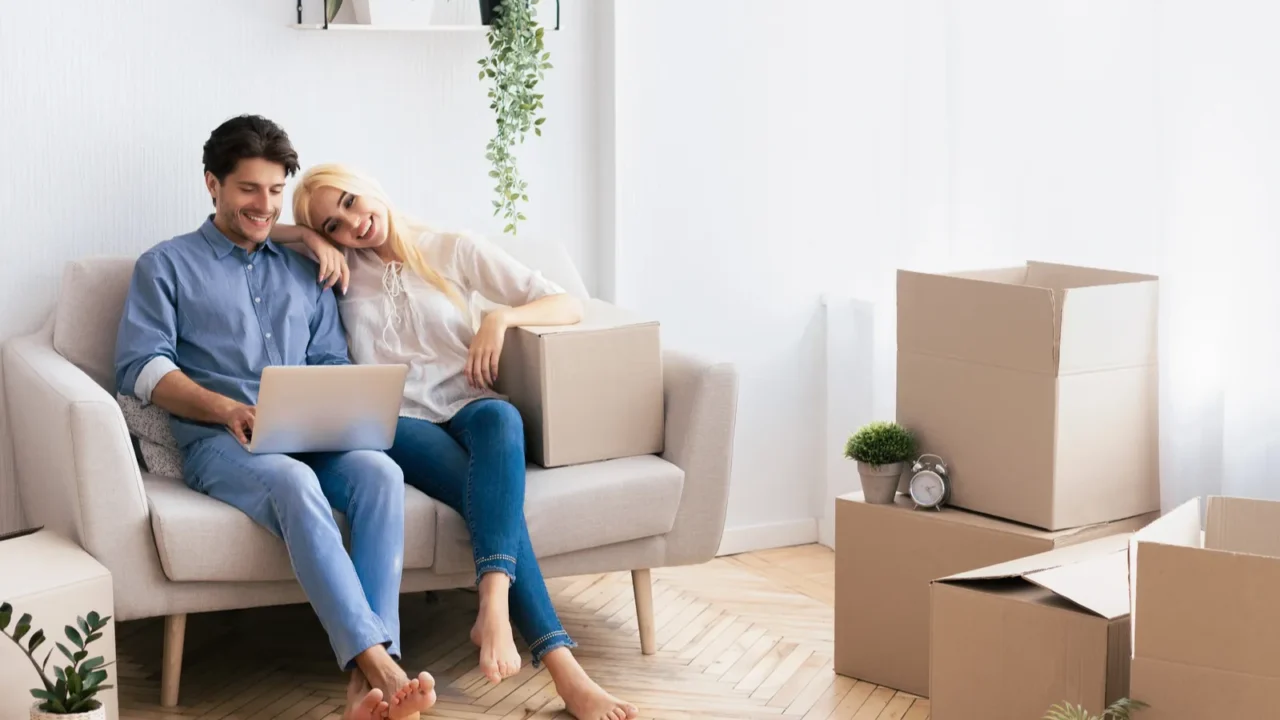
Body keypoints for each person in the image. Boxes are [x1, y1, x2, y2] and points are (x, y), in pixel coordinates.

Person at [287, 163, 640, 720]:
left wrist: (499, 318)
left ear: (372, 185)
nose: (354, 223)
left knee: (504, 421)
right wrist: (304, 234)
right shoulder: (338, 268)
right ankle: (564, 668)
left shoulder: (451, 249)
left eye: (353, 201)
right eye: (333, 223)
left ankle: (493, 604)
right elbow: (252, 229)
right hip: (398, 418)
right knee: (493, 503)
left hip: (468, 399)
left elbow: (565, 303)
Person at [113, 116, 435, 720]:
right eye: (248, 190)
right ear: (212, 184)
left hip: (311, 433)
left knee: (380, 474)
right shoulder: (165, 266)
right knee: (293, 482)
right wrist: (225, 408)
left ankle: (362, 687)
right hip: (219, 442)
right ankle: (383, 663)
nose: (264, 206)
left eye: (276, 191)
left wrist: (341, 403)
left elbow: (330, 358)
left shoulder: (305, 269)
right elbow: (140, 367)